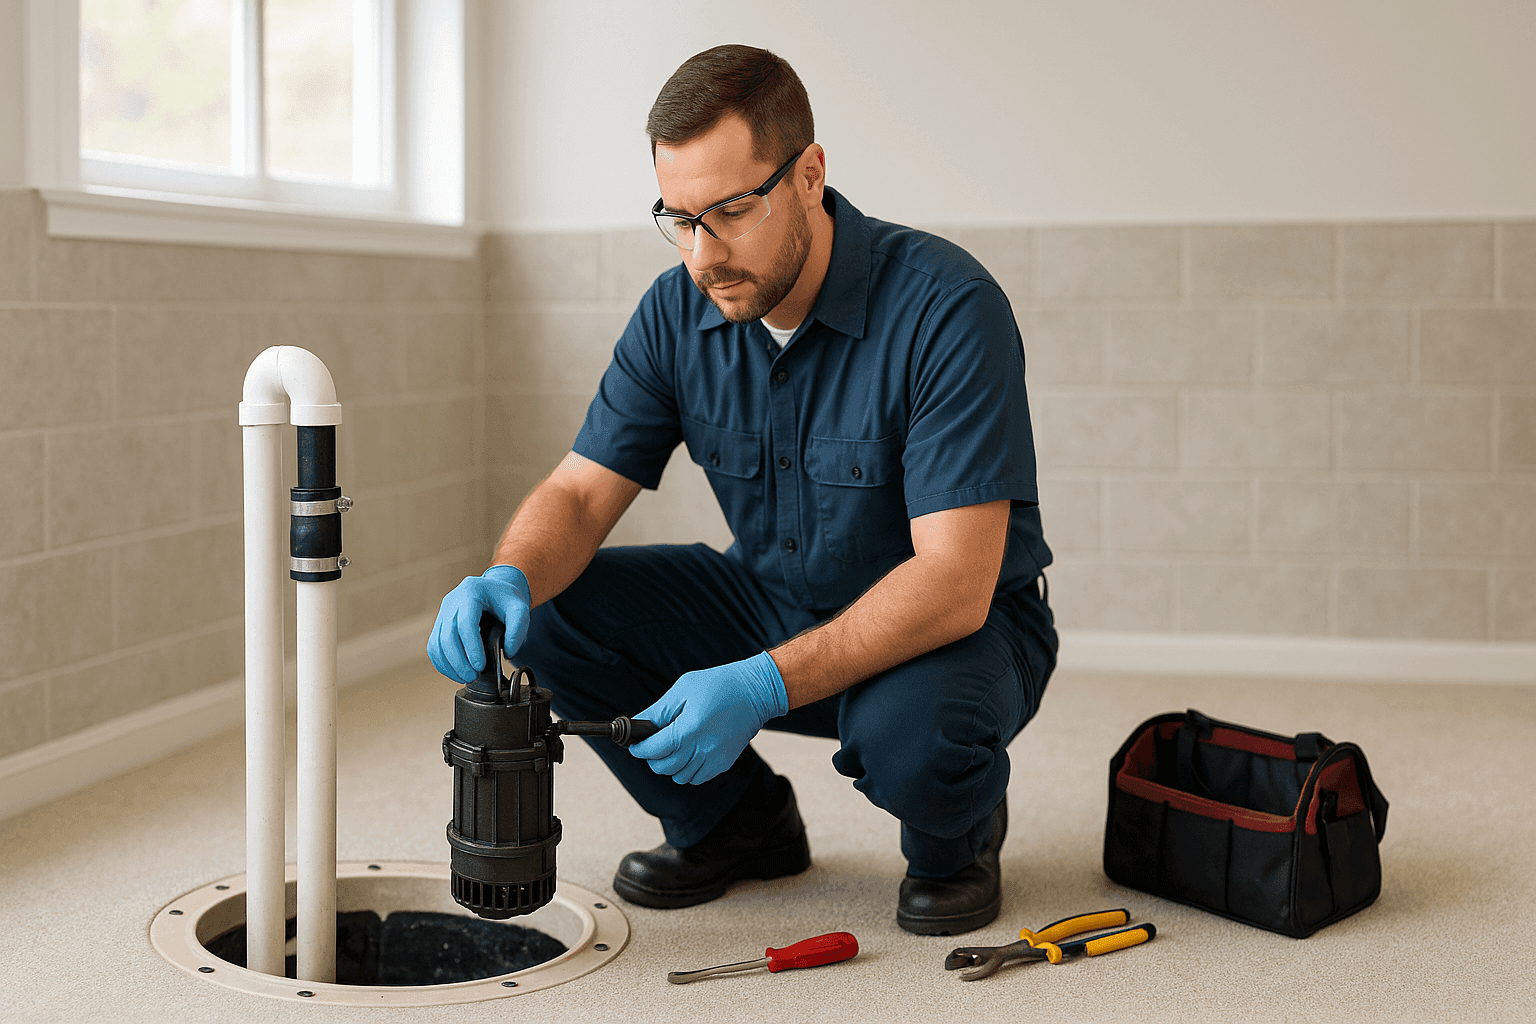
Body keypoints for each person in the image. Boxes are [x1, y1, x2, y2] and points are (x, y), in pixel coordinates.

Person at [428, 44, 1056, 936]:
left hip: (956, 630)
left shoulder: (946, 309)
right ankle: (737, 826)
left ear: (809, 175)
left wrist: (760, 685)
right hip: (772, 599)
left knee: (914, 737)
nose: (701, 254)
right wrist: (510, 576)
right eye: (677, 218)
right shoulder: (677, 312)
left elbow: (955, 582)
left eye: (728, 211)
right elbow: (576, 494)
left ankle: (955, 833)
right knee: (555, 609)